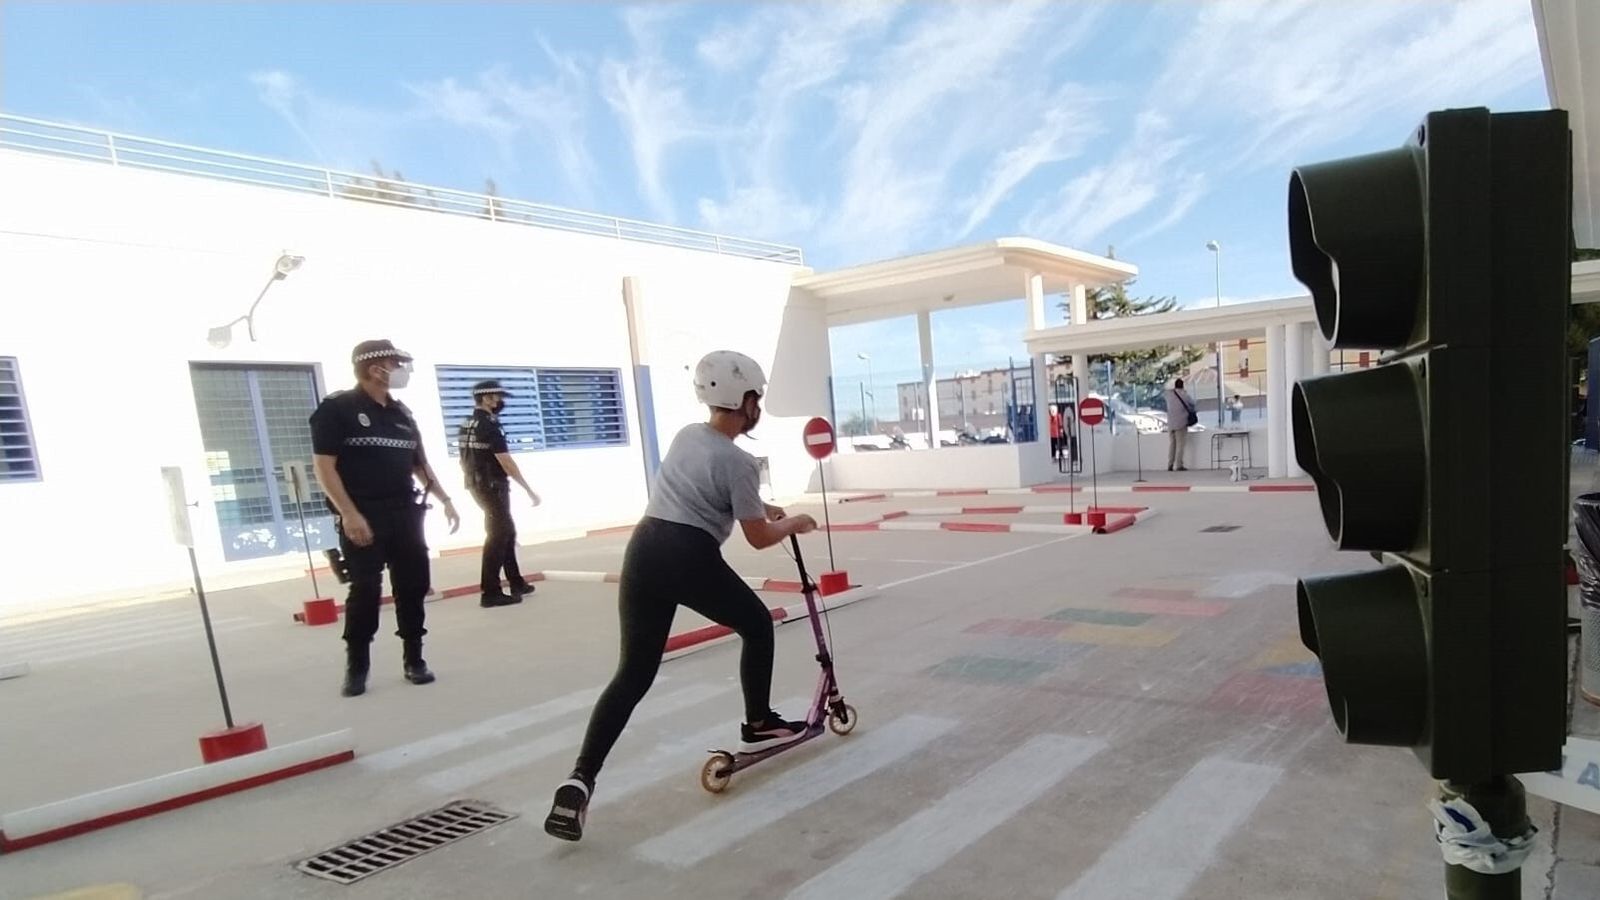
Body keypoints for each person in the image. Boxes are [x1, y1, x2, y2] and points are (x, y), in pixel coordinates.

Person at [543, 350, 819, 842]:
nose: (759, 407)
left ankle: (580, 778)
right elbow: (757, 537)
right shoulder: (740, 461)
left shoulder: (687, 437)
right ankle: (757, 721)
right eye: (757, 398)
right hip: (688, 554)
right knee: (756, 625)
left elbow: (717, 496)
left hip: (644, 550)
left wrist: (762, 506)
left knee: (633, 672)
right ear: (746, 401)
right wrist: (794, 521)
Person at [311, 340, 460, 698]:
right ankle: (357, 666)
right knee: (365, 591)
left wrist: (445, 499)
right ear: (375, 367)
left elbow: (419, 464)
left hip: (405, 513)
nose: (401, 369)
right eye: (396, 363)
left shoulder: (402, 413)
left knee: (411, 586)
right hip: (363, 514)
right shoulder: (338, 409)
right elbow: (324, 467)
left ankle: (414, 659)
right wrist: (349, 513)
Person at [459, 379, 541, 608]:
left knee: (507, 530)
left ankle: (516, 582)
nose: (500, 401)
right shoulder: (490, 425)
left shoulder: (467, 423)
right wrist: (528, 489)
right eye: (496, 397)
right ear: (485, 398)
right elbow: (506, 462)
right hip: (492, 484)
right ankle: (490, 591)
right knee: (498, 534)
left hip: (477, 483)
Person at [1164, 377, 1197, 472]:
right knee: (1180, 445)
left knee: (1172, 444)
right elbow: (1192, 403)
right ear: (1183, 386)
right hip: (1181, 423)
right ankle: (1179, 465)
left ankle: (1170, 464)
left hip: (1170, 423)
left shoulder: (1169, 395)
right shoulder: (1184, 394)